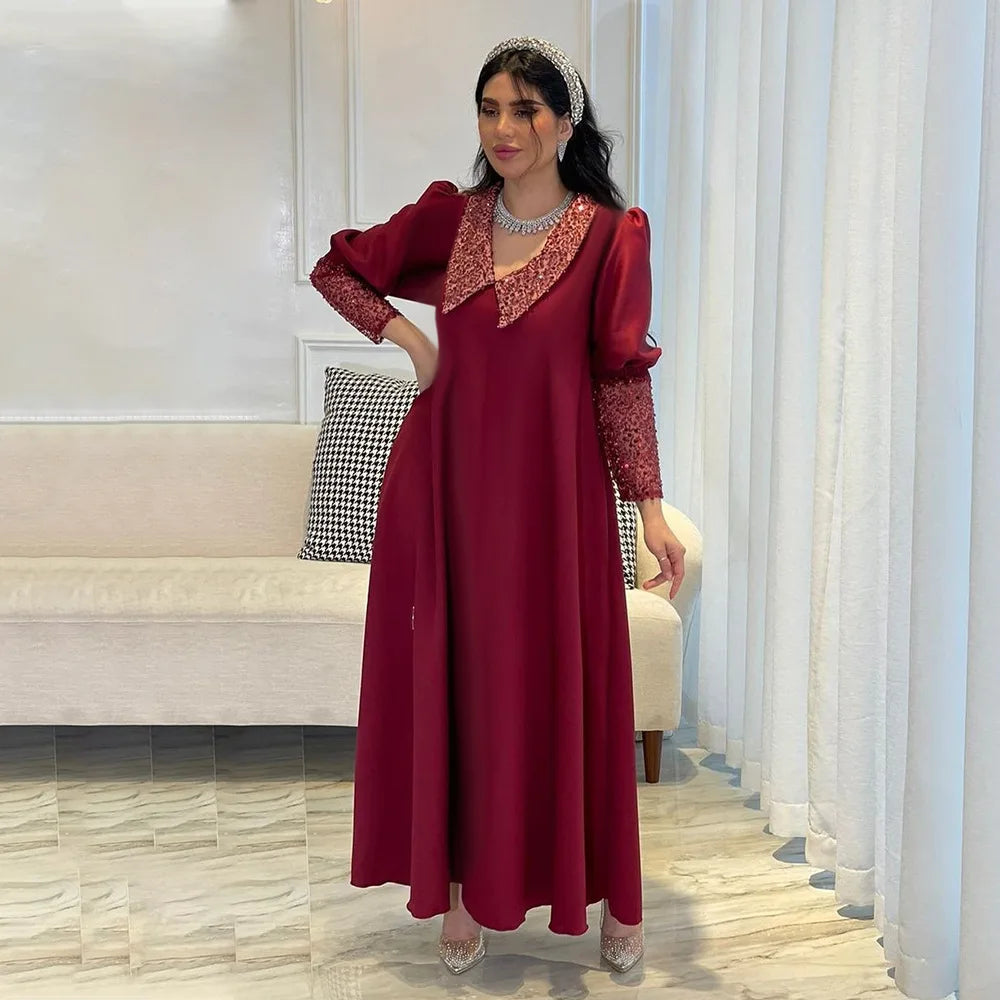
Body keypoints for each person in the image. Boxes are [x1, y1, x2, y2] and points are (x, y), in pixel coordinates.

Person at [310, 35, 687, 976]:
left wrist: (649, 507)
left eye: (525, 109)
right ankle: (461, 895)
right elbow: (338, 269)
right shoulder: (453, 221)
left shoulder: (611, 236)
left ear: (565, 122)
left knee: (568, 687)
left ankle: (609, 896)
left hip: (557, 502)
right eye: (490, 109)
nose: (504, 128)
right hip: (450, 494)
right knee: (462, 686)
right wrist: (411, 340)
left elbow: (621, 381)